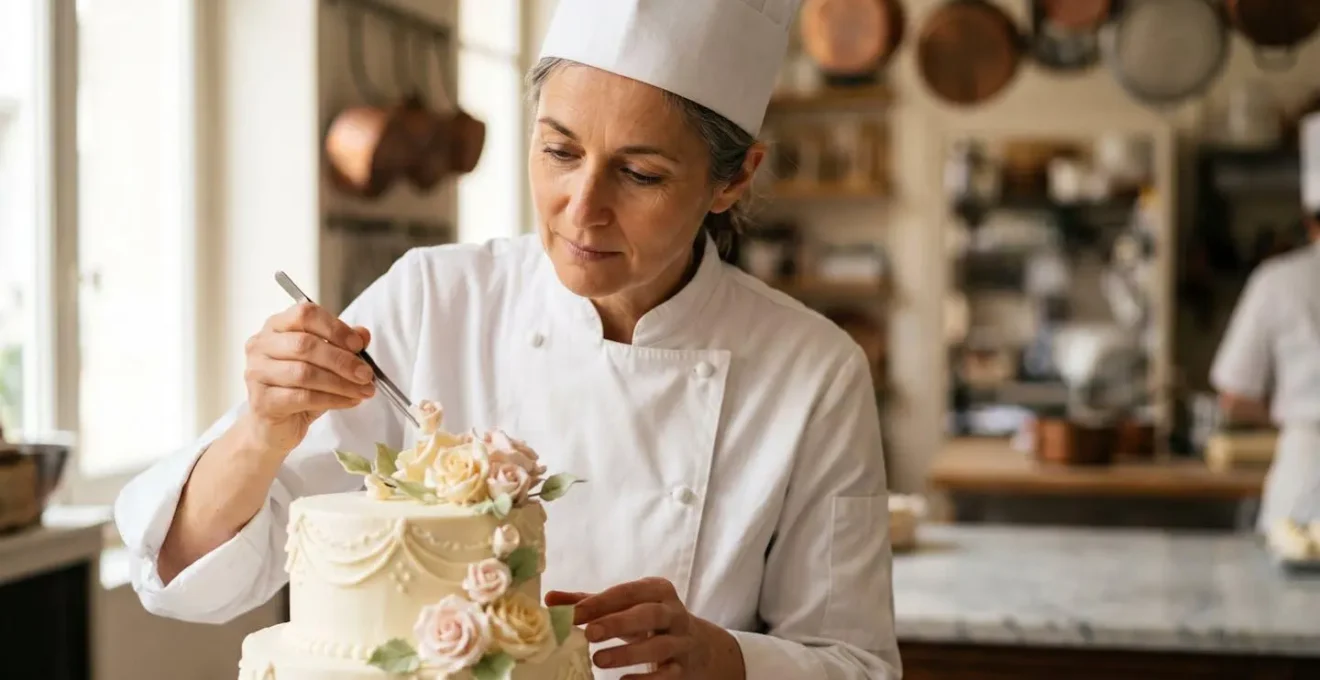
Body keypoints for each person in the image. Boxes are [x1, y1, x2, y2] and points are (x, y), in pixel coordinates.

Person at [113, 1, 901, 678]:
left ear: (733, 179)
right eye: (559, 151)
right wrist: (262, 429)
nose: (579, 208)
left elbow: (857, 663)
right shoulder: (433, 299)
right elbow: (186, 572)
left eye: (641, 174)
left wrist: (726, 660)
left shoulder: (814, 371)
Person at [1211, 110, 1320, 532]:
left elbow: (1233, 393)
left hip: (1308, 470)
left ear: (1310, 222)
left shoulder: (1278, 280)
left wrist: (1291, 412)